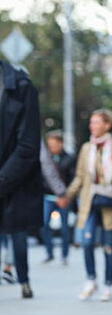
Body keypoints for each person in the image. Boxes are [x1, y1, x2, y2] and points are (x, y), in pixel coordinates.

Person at [64, 109, 112, 301]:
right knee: (86, 243)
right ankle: (91, 280)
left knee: (108, 246)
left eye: (96, 122)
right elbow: (80, 176)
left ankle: (108, 285)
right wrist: (68, 195)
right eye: (91, 122)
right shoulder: (87, 148)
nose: (92, 126)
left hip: (110, 201)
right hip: (90, 201)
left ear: (107, 125)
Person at [0, 60, 42, 298]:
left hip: (14, 183)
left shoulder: (21, 86)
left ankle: (23, 279)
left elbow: (29, 147)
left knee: (17, 236)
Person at [40, 130, 76, 265]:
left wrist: (66, 195)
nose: (52, 147)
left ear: (61, 143)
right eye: (50, 145)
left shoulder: (70, 158)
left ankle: (64, 254)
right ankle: (49, 253)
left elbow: (73, 178)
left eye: (54, 144)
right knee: (44, 224)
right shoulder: (45, 158)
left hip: (64, 197)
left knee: (65, 227)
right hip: (48, 196)